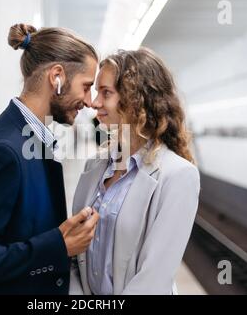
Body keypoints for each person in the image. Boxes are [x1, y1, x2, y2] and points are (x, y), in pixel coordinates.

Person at [0, 23, 100, 294]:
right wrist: (58, 246)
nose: (88, 101)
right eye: (86, 87)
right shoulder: (6, 150)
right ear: (57, 77)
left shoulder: (25, 136)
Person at [71, 48, 200, 294]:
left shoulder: (178, 176)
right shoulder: (95, 166)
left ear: (135, 100)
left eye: (105, 92)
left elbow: (153, 279)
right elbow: (77, 260)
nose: (95, 102)